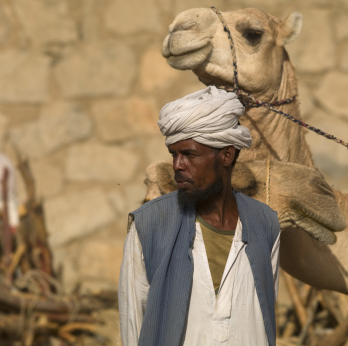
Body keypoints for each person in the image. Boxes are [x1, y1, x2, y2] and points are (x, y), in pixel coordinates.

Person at [118, 86, 280, 346]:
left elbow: (265, 316)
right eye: (174, 154)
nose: (177, 165)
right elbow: (133, 323)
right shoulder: (149, 225)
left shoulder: (265, 224)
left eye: (189, 155)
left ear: (226, 154)